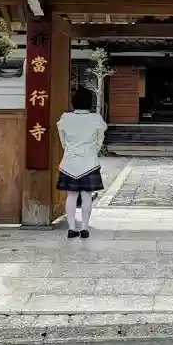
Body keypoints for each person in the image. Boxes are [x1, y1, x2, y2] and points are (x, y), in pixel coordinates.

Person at [56, 88, 107, 239]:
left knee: (71, 196)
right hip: (90, 162)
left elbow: (63, 141)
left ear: (73, 103)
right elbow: (100, 139)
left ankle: (72, 229)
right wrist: (92, 151)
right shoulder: (96, 118)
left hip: (69, 162)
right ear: (90, 103)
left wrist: (70, 150)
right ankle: (84, 228)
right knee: (86, 196)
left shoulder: (65, 118)